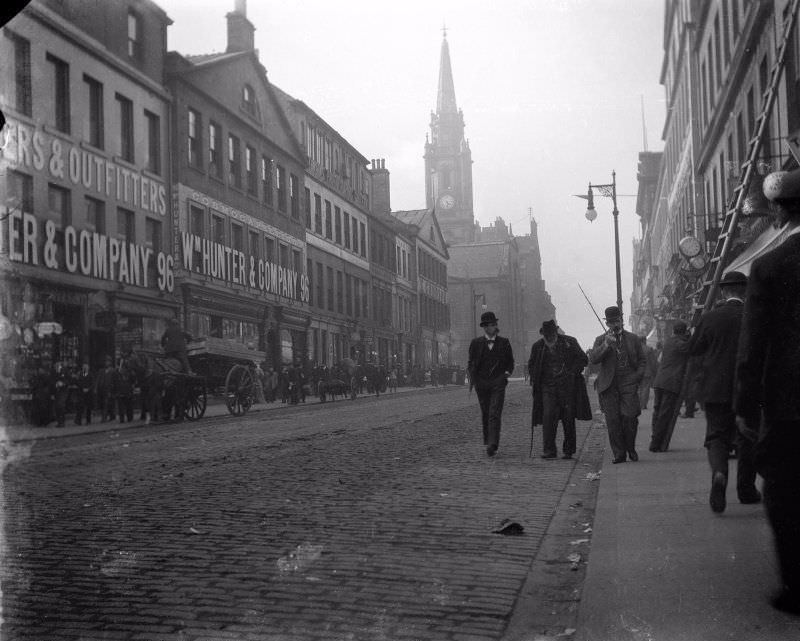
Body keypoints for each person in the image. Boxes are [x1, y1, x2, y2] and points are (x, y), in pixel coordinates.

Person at [734, 168, 800, 614]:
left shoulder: (771, 265)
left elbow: (753, 343)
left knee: (786, 489)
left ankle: (797, 585)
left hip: (791, 404)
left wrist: (746, 403)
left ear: (777, 211)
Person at [689, 270, 759, 513]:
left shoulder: (711, 318)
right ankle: (746, 490)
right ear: (745, 290)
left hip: (716, 388)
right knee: (747, 437)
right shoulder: (755, 316)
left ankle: (719, 474)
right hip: (748, 387)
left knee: (717, 437)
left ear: (722, 291)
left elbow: (694, 349)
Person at [588, 306, 646, 463]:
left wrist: (637, 376)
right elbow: (593, 359)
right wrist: (606, 345)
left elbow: (642, 360)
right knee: (613, 421)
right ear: (607, 324)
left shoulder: (633, 338)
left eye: (617, 321)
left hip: (628, 381)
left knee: (630, 417)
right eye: (611, 322)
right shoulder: (601, 339)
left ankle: (630, 448)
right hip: (609, 385)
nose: (615, 324)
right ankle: (619, 454)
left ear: (622, 320)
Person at [528, 320, 589, 459]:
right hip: (547, 387)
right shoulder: (538, 346)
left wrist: (572, 372)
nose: (549, 339)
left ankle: (569, 450)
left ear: (556, 333)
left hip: (568, 387)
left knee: (568, 417)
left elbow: (583, 359)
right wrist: (535, 377)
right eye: (547, 337)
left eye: (552, 336)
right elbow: (531, 365)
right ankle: (549, 450)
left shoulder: (570, 342)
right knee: (548, 415)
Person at [467, 311, 514, 457]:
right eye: (489, 325)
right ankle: (488, 441)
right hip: (481, 383)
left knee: (495, 412)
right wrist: (473, 379)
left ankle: (493, 444)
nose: (492, 327)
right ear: (484, 327)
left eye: (494, 324)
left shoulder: (504, 342)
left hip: (497, 383)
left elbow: (510, 362)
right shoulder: (476, 343)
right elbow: (471, 362)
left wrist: (505, 375)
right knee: (486, 412)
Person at [649, 321, 690, 452]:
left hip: (660, 380)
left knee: (657, 411)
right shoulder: (680, 343)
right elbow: (691, 348)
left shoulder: (669, 341)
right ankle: (656, 443)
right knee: (665, 414)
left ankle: (655, 438)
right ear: (684, 332)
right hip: (671, 382)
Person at [638, 336, 658, 410]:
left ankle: (639, 404)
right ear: (644, 340)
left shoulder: (635, 349)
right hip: (647, 372)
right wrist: (655, 372)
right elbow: (653, 362)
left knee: (639, 389)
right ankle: (643, 405)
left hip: (637, 372)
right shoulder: (649, 349)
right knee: (645, 389)